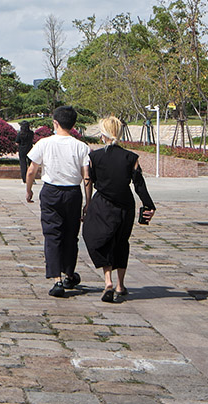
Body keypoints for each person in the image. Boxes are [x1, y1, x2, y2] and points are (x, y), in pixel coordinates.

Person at [83, 116, 156, 303]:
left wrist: (87, 203)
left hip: (102, 205)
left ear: (103, 135)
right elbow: (139, 185)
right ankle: (120, 285)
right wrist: (149, 205)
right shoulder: (131, 157)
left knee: (101, 240)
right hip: (125, 205)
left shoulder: (94, 157)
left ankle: (107, 280)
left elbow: (90, 180)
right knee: (121, 242)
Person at [26, 105, 91, 297]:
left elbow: (31, 170)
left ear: (55, 123)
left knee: (52, 234)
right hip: (73, 193)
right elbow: (86, 176)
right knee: (71, 235)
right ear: (73, 124)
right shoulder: (81, 147)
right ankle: (69, 273)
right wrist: (88, 201)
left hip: (51, 192)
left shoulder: (44, 143)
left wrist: (29, 190)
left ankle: (57, 280)